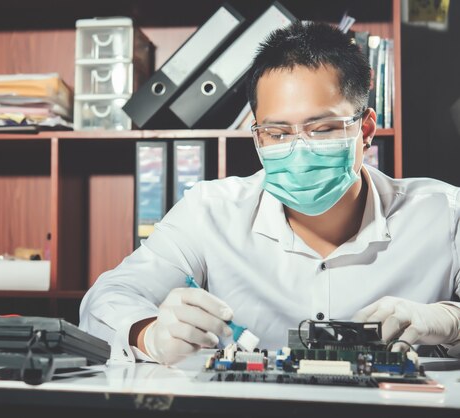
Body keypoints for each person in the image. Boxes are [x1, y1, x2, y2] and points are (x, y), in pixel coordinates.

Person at [79, 21, 460, 365]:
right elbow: (105, 301)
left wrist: (450, 321)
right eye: (277, 133)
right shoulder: (209, 211)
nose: (298, 148)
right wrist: (149, 334)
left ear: (365, 130)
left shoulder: (444, 213)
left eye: (322, 128)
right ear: (258, 135)